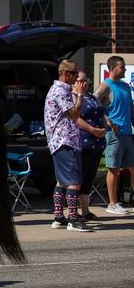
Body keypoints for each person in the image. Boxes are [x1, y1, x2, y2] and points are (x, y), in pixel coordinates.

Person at [44, 60, 93, 232]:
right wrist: (80, 95)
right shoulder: (60, 91)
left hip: (63, 141)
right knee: (74, 181)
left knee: (63, 181)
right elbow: (74, 114)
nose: (77, 77)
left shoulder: (59, 90)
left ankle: (59, 217)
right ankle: (73, 219)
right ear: (66, 74)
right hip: (65, 141)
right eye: (75, 73)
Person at [94, 55, 134, 215]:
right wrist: (108, 121)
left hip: (127, 133)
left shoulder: (125, 86)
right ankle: (112, 203)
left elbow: (131, 109)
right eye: (121, 67)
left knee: (133, 168)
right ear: (112, 68)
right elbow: (93, 107)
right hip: (113, 135)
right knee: (114, 169)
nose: (124, 69)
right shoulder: (105, 87)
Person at [75, 71, 107, 221]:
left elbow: (101, 114)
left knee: (89, 179)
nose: (84, 83)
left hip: (97, 143)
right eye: (81, 81)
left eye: (86, 80)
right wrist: (93, 130)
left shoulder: (93, 98)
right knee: (79, 178)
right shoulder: (74, 98)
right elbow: (76, 118)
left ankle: (85, 211)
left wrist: (104, 128)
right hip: (83, 143)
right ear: (74, 82)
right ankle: (73, 212)